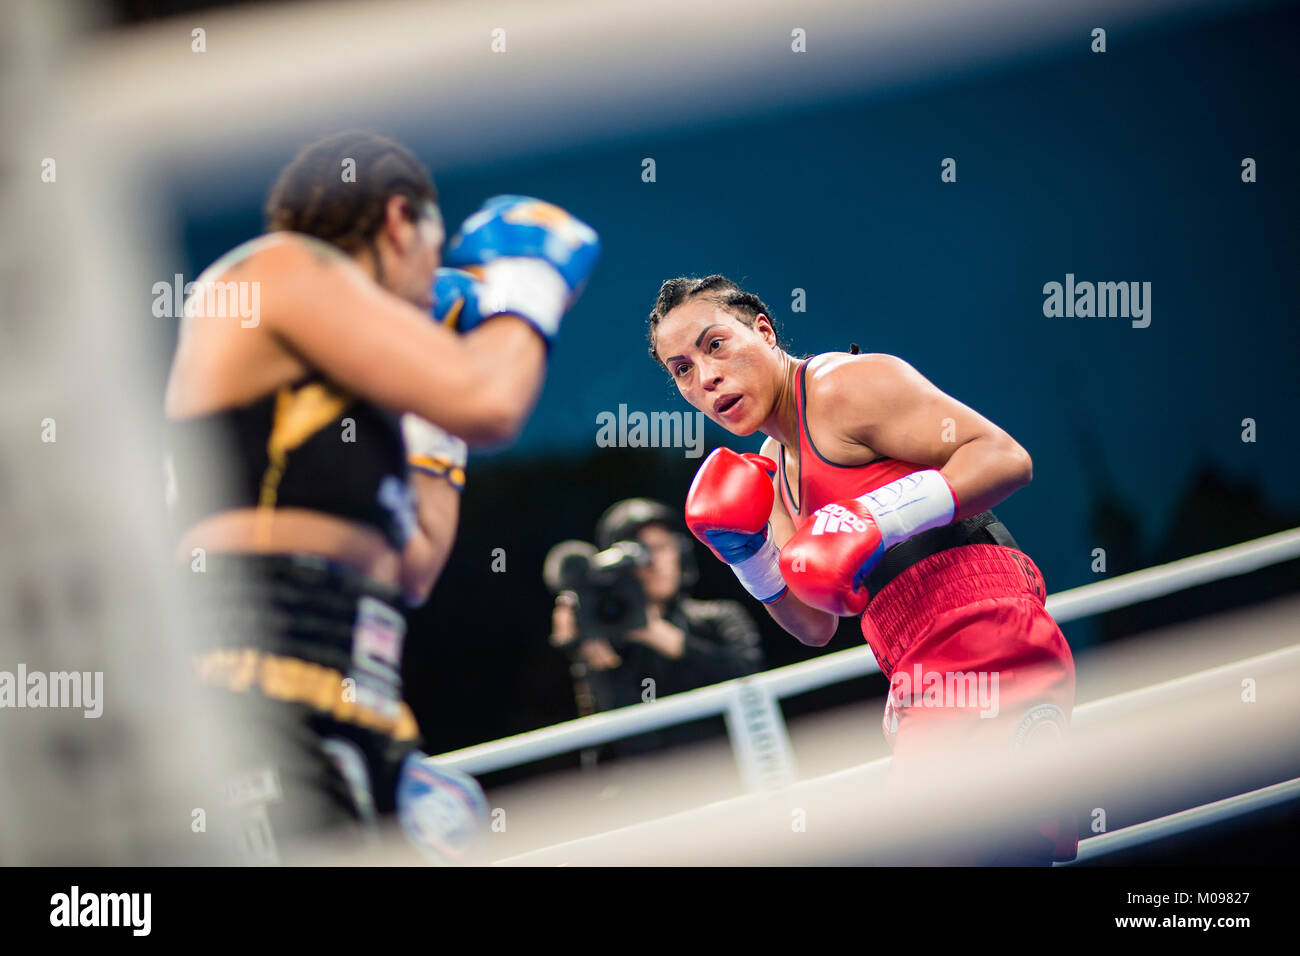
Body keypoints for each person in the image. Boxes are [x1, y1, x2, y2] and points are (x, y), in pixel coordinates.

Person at [163, 130, 599, 860]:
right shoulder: (280, 269)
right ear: (399, 221)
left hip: (362, 685)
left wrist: (432, 415)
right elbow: (492, 399)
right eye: (436, 254)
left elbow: (417, 565)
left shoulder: (358, 400)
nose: (438, 282)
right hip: (256, 673)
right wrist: (530, 279)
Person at [648, 274, 1077, 864]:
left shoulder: (843, 386)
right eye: (682, 369)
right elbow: (814, 625)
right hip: (909, 663)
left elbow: (1005, 457)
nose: (706, 376)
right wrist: (749, 559)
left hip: (981, 625)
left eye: (714, 344)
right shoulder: (769, 476)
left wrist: (875, 514)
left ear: (764, 332)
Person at [550, 498, 763, 758]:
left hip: (727, 771)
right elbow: (596, 750)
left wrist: (663, 637)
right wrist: (582, 658)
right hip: (647, 788)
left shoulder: (718, 618)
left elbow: (752, 685)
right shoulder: (605, 639)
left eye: (661, 548)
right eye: (639, 552)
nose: (651, 562)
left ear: (680, 554)